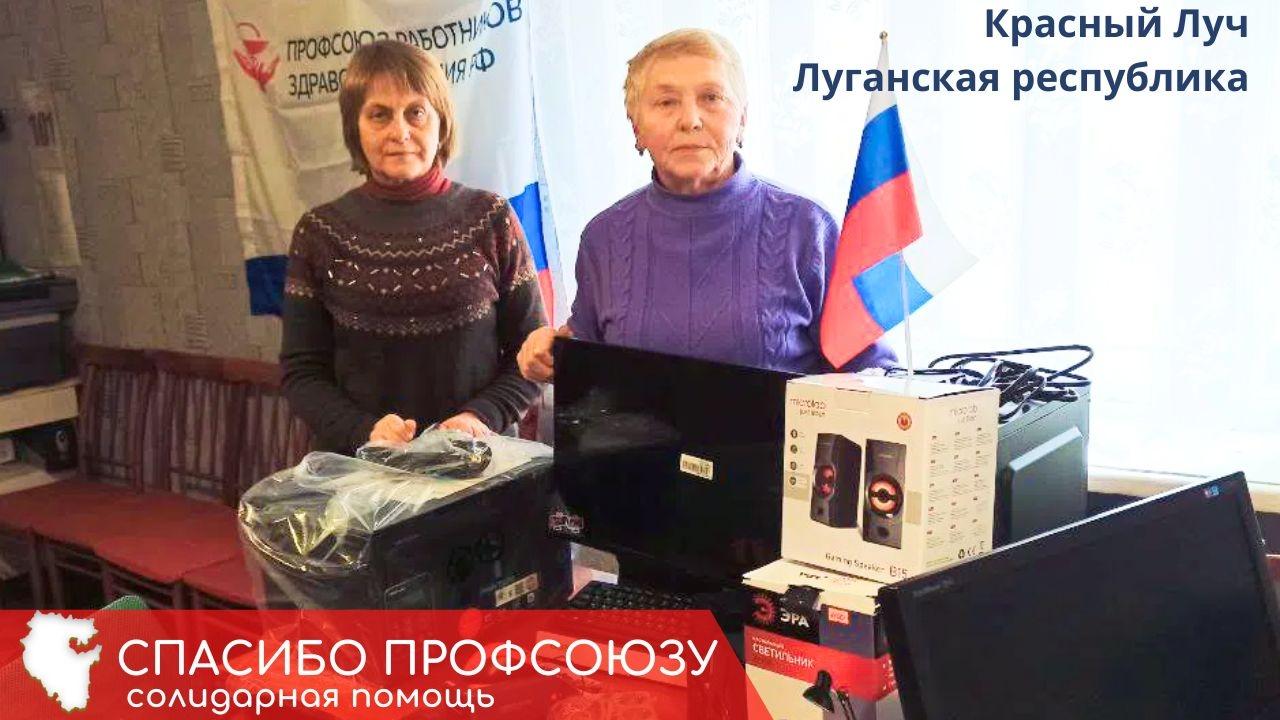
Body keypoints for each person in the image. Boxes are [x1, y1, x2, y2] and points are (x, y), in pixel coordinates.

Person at [518, 29, 894, 383]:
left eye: (711, 98)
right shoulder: (604, 237)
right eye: (666, 102)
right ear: (636, 128)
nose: (690, 120)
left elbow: (873, 372)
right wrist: (549, 352)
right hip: (637, 436)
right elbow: (588, 365)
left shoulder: (807, 227)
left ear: (742, 119)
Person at [281, 40, 545, 455]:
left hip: (478, 465)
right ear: (355, 128)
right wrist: (364, 431)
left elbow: (533, 355)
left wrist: (479, 417)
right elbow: (302, 372)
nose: (400, 132)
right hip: (362, 474)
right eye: (379, 114)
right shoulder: (319, 233)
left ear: (442, 123)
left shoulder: (491, 218)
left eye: (416, 112)